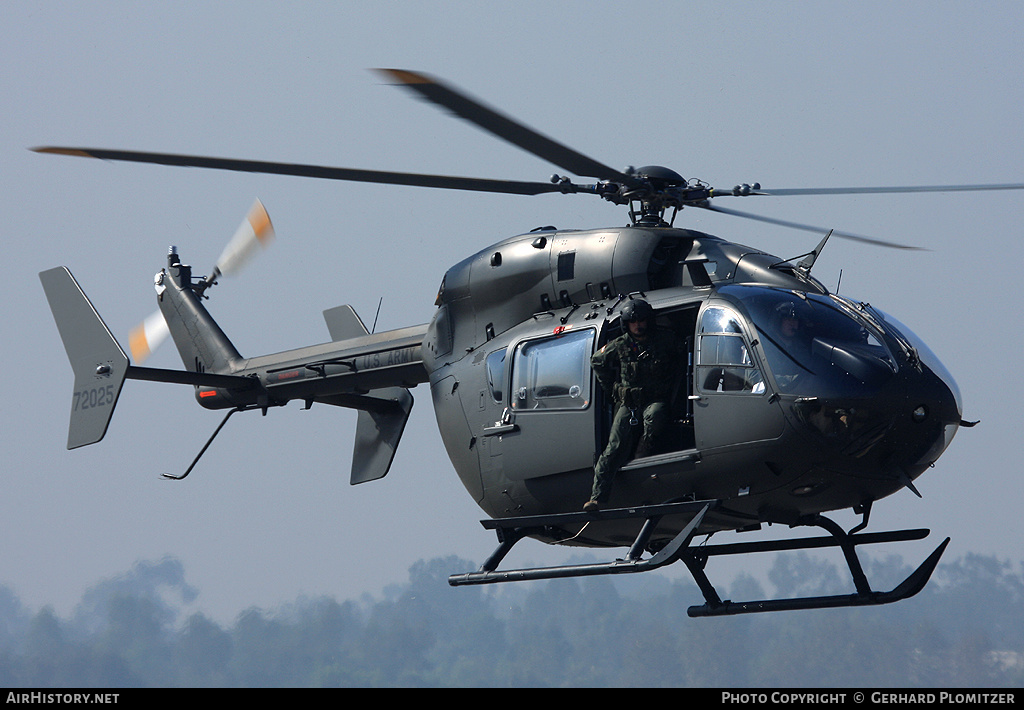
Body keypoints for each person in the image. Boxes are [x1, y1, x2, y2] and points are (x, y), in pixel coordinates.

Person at [584, 299, 681, 512]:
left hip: (655, 400)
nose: (638, 325)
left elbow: (680, 360)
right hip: (629, 403)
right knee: (613, 447)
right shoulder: (620, 345)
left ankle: (643, 452)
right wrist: (612, 388)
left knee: (655, 416)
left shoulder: (665, 340)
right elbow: (596, 361)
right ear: (627, 324)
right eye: (633, 322)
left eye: (641, 320)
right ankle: (597, 497)